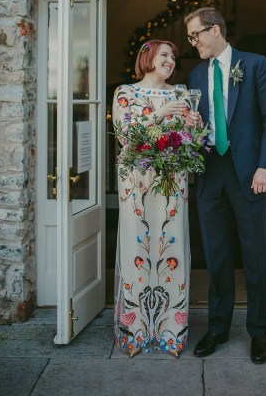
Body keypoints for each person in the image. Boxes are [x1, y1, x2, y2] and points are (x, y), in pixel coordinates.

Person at [184, 7, 266, 364]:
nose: (193, 42)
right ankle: (217, 328)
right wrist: (192, 126)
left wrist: (265, 167)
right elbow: (196, 127)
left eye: (195, 35)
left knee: (255, 257)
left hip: (249, 175)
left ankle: (259, 332)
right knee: (217, 257)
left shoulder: (254, 65)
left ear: (214, 30)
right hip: (210, 175)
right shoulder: (195, 74)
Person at [112, 40, 190, 358]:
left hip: (172, 182)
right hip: (137, 185)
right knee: (137, 246)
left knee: (171, 245)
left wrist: (191, 127)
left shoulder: (181, 93)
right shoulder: (125, 93)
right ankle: (137, 330)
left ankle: (171, 331)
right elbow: (124, 135)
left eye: (172, 56)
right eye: (164, 55)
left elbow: (187, 140)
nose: (170, 60)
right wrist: (159, 114)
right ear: (148, 58)